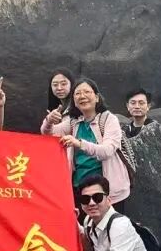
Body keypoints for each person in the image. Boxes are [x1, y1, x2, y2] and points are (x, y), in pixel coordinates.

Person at [45, 77, 130, 213]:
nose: (82, 96)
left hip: (107, 192)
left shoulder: (108, 119)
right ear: (74, 101)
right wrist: (49, 121)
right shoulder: (74, 122)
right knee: (83, 225)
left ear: (97, 97)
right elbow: (48, 134)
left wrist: (79, 143)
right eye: (77, 93)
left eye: (87, 92)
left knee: (108, 225)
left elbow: (107, 151)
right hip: (80, 188)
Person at [39, 69, 76, 133]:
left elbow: (55, 132)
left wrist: (48, 122)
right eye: (55, 85)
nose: (59, 88)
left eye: (63, 84)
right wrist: (49, 119)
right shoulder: (55, 107)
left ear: (72, 84)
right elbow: (44, 132)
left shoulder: (77, 107)